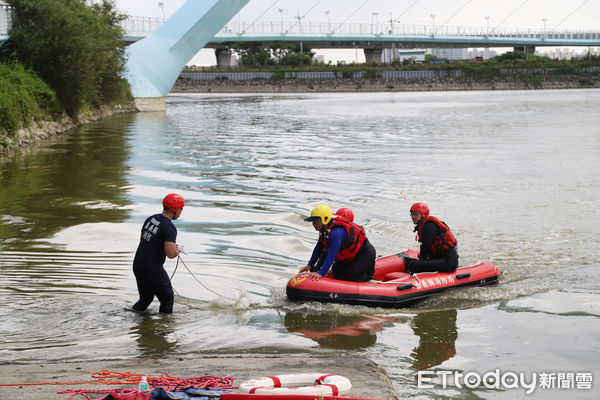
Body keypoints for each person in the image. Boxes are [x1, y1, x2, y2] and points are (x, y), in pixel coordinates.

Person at [132, 193, 185, 314]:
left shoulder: (151, 219)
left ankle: (136, 322)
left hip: (138, 265)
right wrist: (178, 250)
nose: (181, 211)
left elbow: (145, 240)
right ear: (174, 209)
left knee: (145, 299)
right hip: (152, 269)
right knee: (167, 298)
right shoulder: (169, 228)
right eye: (181, 208)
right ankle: (164, 329)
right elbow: (171, 254)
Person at [299, 204, 376, 282]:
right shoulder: (323, 230)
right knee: (336, 271)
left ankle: (368, 280)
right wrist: (310, 265)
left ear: (325, 219)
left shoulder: (336, 233)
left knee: (349, 278)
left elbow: (332, 255)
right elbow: (319, 247)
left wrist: (321, 273)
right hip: (349, 256)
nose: (313, 224)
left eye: (315, 221)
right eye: (312, 221)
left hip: (363, 254)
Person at [405, 202, 458, 274]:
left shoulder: (429, 227)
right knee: (414, 263)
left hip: (448, 262)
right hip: (440, 258)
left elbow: (424, 248)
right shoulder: (423, 226)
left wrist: (421, 259)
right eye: (412, 214)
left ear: (423, 215)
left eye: (416, 214)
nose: (413, 217)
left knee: (413, 265)